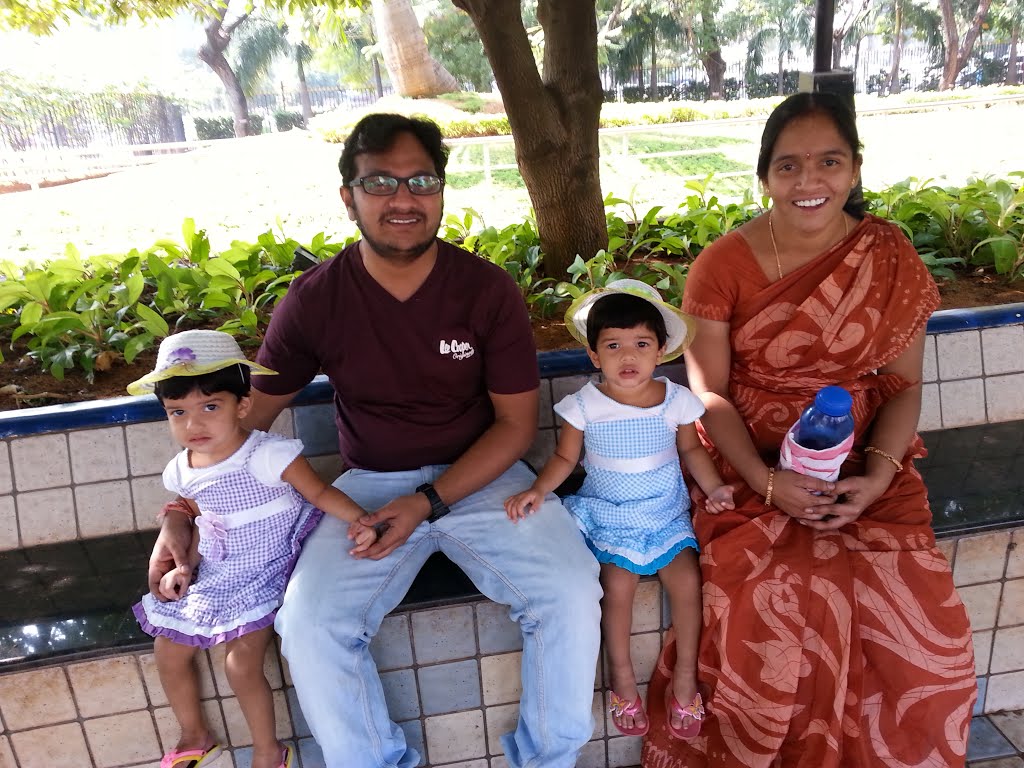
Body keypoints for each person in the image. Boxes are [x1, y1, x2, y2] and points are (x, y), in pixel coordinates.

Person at [146, 113, 602, 768]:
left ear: (442, 191)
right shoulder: (316, 300)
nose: (403, 199)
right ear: (349, 197)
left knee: (567, 590)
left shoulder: (486, 291)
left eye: (421, 180)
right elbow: (241, 430)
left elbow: (515, 426)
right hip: (364, 493)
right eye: (380, 182)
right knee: (308, 624)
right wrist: (180, 515)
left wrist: (428, 501)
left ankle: (548, 761)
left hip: (484, 479)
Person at [642, 92, 976, 767]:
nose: (809, 181)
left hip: (863, 463)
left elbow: (903, 386)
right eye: (788, 166)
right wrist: (769, 482)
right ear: (764, 176)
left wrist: (878, 476)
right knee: (777, 599)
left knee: (917, 617)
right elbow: (707, 392)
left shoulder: (887, 254)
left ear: (854, 168)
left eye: (829, 161)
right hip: (745, 461)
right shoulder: (723, 265)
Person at [129, 330, 378, 768]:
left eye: (210, 407)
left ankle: (268, 750)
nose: (193, 424)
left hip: (270, 563)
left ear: (241, 405)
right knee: (168, 650)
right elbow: (193, 510)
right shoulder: (181, 469)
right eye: (177, 412)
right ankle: (194, 734)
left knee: (240, 664)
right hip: (221, 567)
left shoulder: (266, 454)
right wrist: (184, 565)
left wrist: (361, 520)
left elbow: (318, 494)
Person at [505, 280, 735, 740]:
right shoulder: (584, 406)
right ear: (593, 356)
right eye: (613, 345)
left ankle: (686, 676)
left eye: (641, 344)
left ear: (662, 350)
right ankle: (622, 677)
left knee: (689, 583)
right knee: (616, 588)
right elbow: (565, 460)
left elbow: (692, 451)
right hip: (610, 514)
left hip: (665, 513)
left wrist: (713, 488)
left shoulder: (676, 401)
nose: (627, 357)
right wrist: (538, 489)